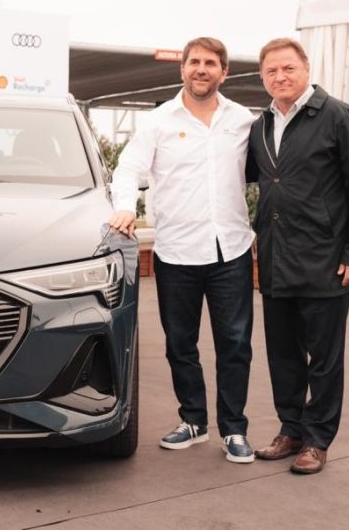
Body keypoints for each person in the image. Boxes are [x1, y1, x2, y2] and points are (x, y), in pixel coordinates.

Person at [108, 37, 257, 463]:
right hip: (176, 252)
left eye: (210, 63)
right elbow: (128, 169)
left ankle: (234, 429)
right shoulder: (158, 121)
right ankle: (193, 421)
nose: (201, 69)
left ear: (224, 72)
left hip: (231, 250)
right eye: (194, 62)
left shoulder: (242, 120)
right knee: (180, 344)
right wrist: (125, 207)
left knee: (235, 345)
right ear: (183, 69)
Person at [247, 38, 349, 474]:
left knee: (325, 359)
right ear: (263, 77)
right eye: (271, 71)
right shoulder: (261, 124)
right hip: (276, 257)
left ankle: (317, 440)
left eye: (288, 69)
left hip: (326, 259)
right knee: (283, 354)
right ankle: (291, 429)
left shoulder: (337, 115)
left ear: (306, 69)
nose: (280, 77)